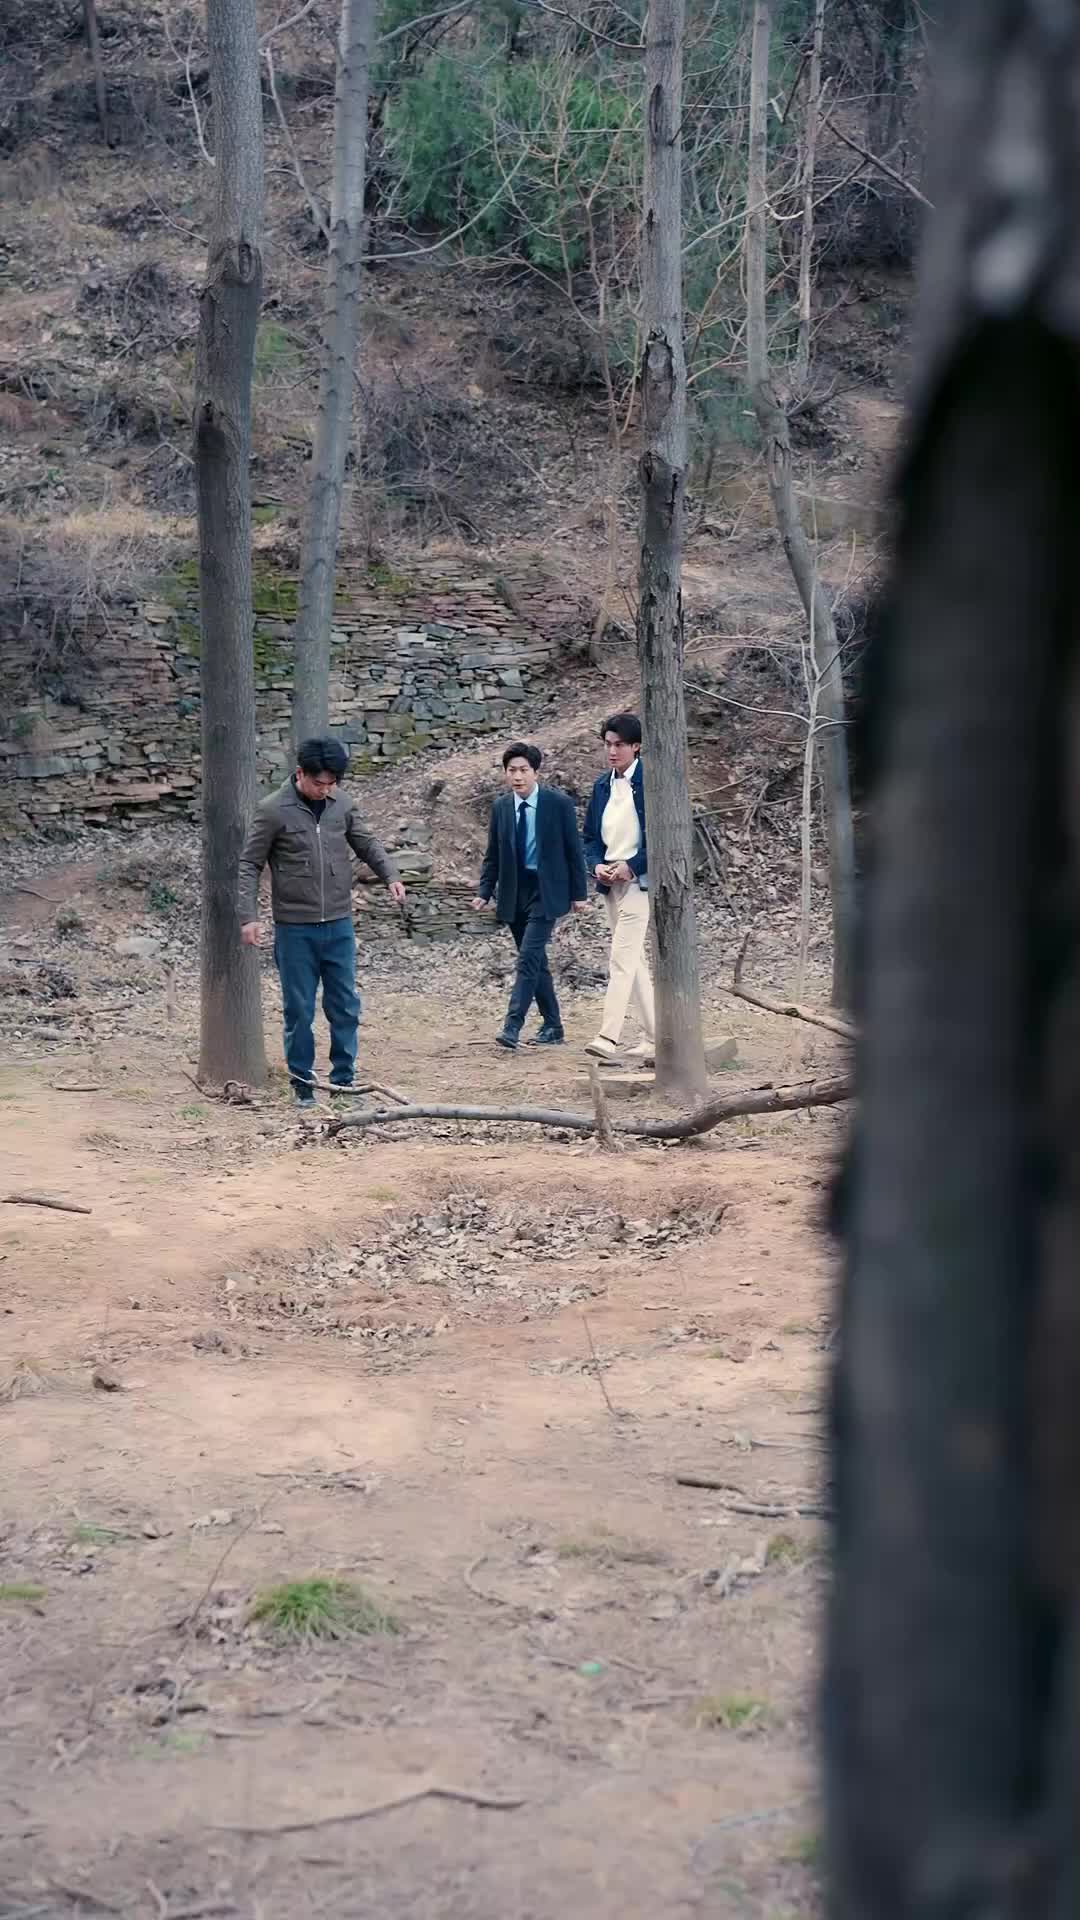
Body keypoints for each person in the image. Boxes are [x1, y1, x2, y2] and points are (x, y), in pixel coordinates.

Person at [238, 736, 406, 1107]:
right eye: (319, 783)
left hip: (339, 924)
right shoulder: (272, 810)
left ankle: (343, 1082)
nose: (325, 790)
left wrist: (390, 874)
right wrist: (248, 917)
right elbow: (250, 864)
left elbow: (366, 843)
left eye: (332, 783)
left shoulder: (341, 804)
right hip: (294, 928)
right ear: (300, 773)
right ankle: (302, 1085)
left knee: (345, 1005)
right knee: (299, 1009)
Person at [471, 742, 588, 1050]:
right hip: (514, 891)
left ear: (536, 772)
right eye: (512, 770)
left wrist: (580, 894)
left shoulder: (558, 804)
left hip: (547, 891)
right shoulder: (501, 807)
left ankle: (512, 1026)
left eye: (524, 770)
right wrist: (485, 891)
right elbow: (493, 855)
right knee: (536, 961)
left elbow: (574, 851)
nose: (517, 776)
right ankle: (553, 1026)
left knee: (527, 959)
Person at [581, 711, 655, 1061]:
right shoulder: (601, 786)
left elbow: (663, 835)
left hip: (640, 883)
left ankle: (607, 1036)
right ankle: (655, 1037)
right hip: (610, 883)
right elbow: (590, 838)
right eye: (608, 744)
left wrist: (633, 866)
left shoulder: (652, 782)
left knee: (622, 959)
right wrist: (596, 865)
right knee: (634, 962)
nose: (612, 751)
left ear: (636, 746)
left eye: (620, 745)